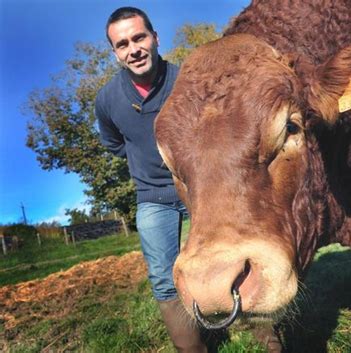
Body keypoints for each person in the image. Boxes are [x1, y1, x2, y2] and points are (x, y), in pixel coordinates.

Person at [95, 7, 207, 353]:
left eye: (139, 37)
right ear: (115, 52)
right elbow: (113, 142)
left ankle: (269, 340)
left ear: (155, 38)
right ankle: (193, 348)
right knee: (162, 275)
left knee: (227, 252)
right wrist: (141, 160)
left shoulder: (189, 80)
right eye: (123, 44)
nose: (134, 49)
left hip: (200, 188)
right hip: (152, 197)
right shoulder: (107, 99)